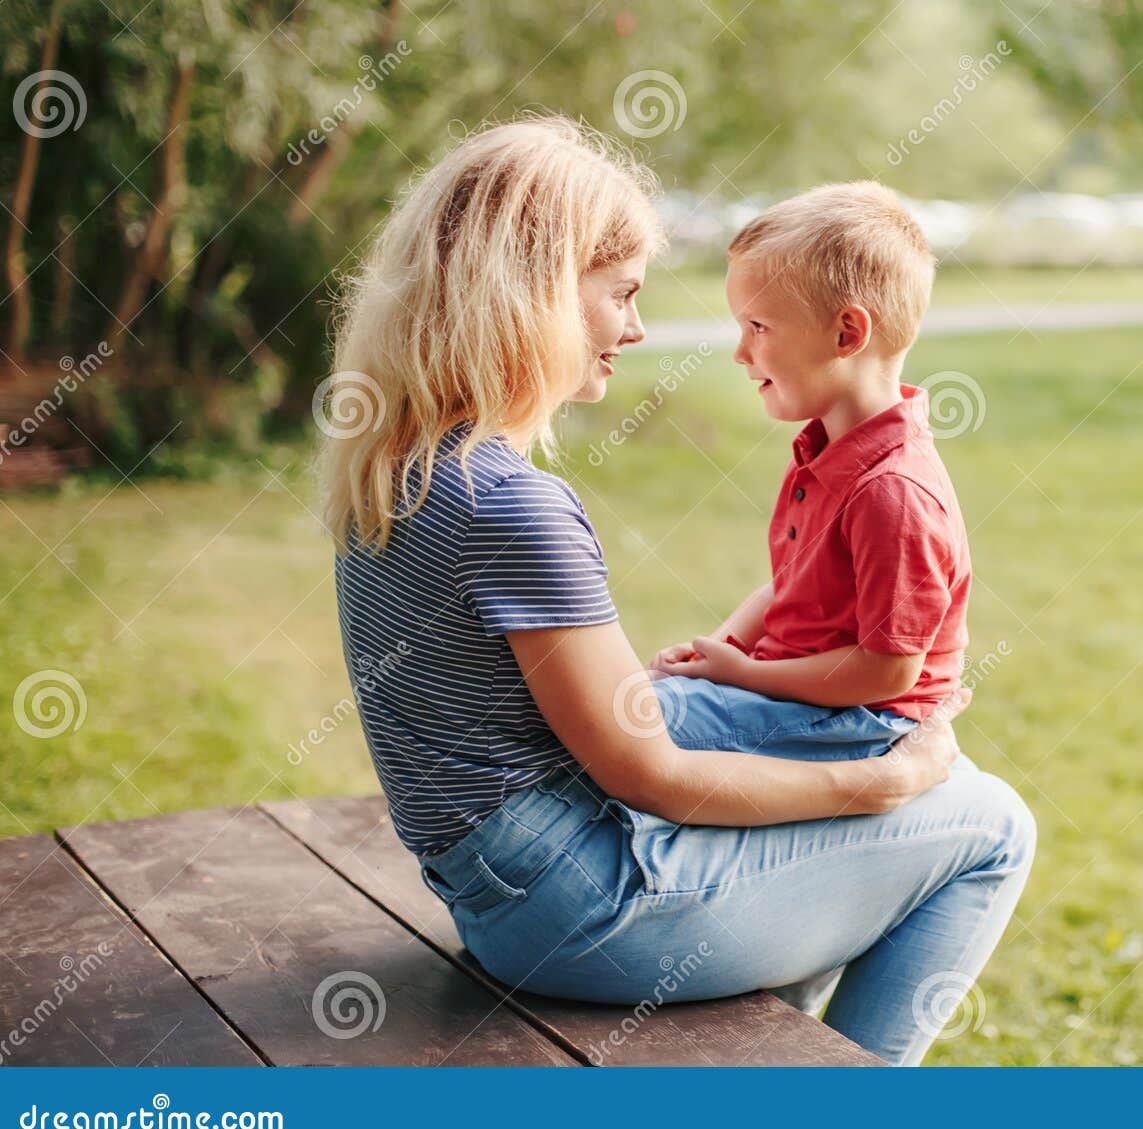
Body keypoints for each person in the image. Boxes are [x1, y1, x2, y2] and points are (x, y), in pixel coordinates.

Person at [318, 116, 1035, 1065]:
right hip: (580, 912)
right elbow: (649, 775)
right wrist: (879, 781)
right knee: (992, 824)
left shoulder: (397, 468)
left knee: (737, 747)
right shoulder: (511, 505)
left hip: (498, 892)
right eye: (619, 294)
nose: (638, 326)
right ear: (533, 294)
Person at [649, 182, 969, 769]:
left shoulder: (892, 490)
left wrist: (748, 676)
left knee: (635, 725)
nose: (740, 354)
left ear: (847, 334)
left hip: (867, 719)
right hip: (806, 695)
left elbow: (889, 669)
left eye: (759, 327)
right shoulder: (831, 453)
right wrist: (723, 647)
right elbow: (792, 585)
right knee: (641, 707)